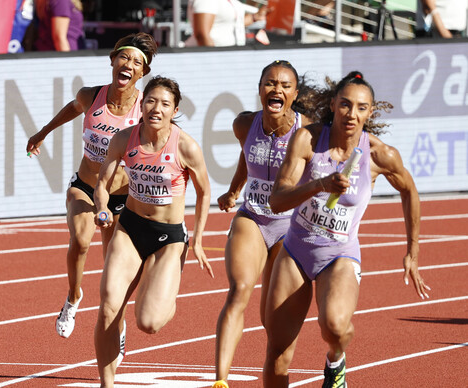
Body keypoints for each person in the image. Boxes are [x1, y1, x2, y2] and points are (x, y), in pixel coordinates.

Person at [262, 71, 431, 388]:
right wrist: (320, 184)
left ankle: (335, 361)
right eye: (345, 105)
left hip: (339, 254)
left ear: (370, 112)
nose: (352, 114)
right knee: (278, 354)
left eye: (361, 108)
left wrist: (413, 251)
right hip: (296, 250)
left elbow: (409, 190)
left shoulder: (380, 155)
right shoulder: (308, 141)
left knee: (335, 327)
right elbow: (277, 201)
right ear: (333, 105)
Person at [26, 33, 157, 344]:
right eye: (124, 58)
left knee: (115, 265)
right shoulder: (90, 96)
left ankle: (118, 317)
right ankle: (73, 298)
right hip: (85, 186)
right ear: (112, 61)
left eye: (137, 63)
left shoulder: (143, 109)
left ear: (142, 73)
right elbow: (73, 108)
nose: (128, 65)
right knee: (81, 240)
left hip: (122, 198)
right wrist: (43, 132)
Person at [92, 76, 214, 387]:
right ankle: (107, 383)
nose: (155, 109)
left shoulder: (185, 146)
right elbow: (102, 185)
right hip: (130, 228)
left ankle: (164, 280)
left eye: (164, 104)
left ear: (174, 110)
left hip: (168, 238)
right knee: (108, 307)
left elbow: (203, 192)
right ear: (141, 103)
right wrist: (102, 208)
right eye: (150, 101)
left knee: (149, 322)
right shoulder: (123, 139)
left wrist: (197, 239)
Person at [211, 60, 314, 388]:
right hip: (253, 217)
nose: (277, 90)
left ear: (294, 94)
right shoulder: (244, 124)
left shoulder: (307, 132)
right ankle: (220, 381)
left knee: (273, 317)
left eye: (285, 85)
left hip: (290, 224)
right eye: (270, 83)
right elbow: (247, 154)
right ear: (259, 90)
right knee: (239, 289)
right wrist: (233, 190)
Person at [185, 0, 267, 47]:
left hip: (228, 55)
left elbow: (231, 23)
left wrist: (255, 17)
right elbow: (202, 34)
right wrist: (214, 59)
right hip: (213, 58)